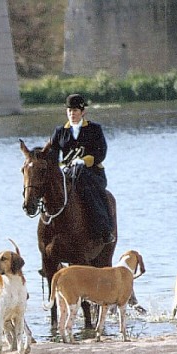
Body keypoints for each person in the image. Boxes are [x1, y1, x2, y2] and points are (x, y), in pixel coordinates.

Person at [49, 94, 115, 244]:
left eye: (75, 111)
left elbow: (101, 152)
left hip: (92, 174)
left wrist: (84, 161)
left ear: (83, 112)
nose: (72, 114)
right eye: (69, 111)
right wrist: (62, 165)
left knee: (85, 183)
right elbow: (53, 154)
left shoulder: (94, 129)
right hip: (68, 173)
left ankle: (104, 229)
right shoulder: (60, 132)